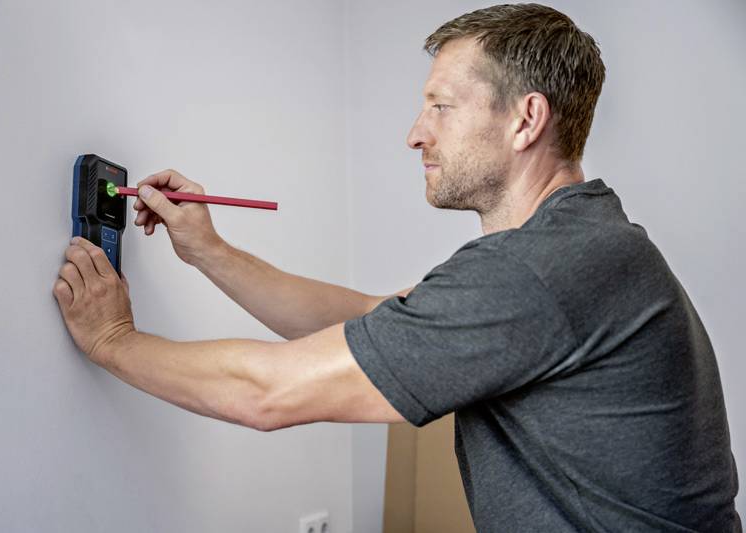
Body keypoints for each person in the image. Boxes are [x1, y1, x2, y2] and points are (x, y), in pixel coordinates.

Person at [54, 3, 740, 531]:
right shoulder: (578, 246)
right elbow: (375, 322)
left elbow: (268, 392)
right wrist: (210, 251)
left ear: (526, 119)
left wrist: (114, 342)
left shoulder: (541, 270)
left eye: (440, 106)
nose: (416, 132)